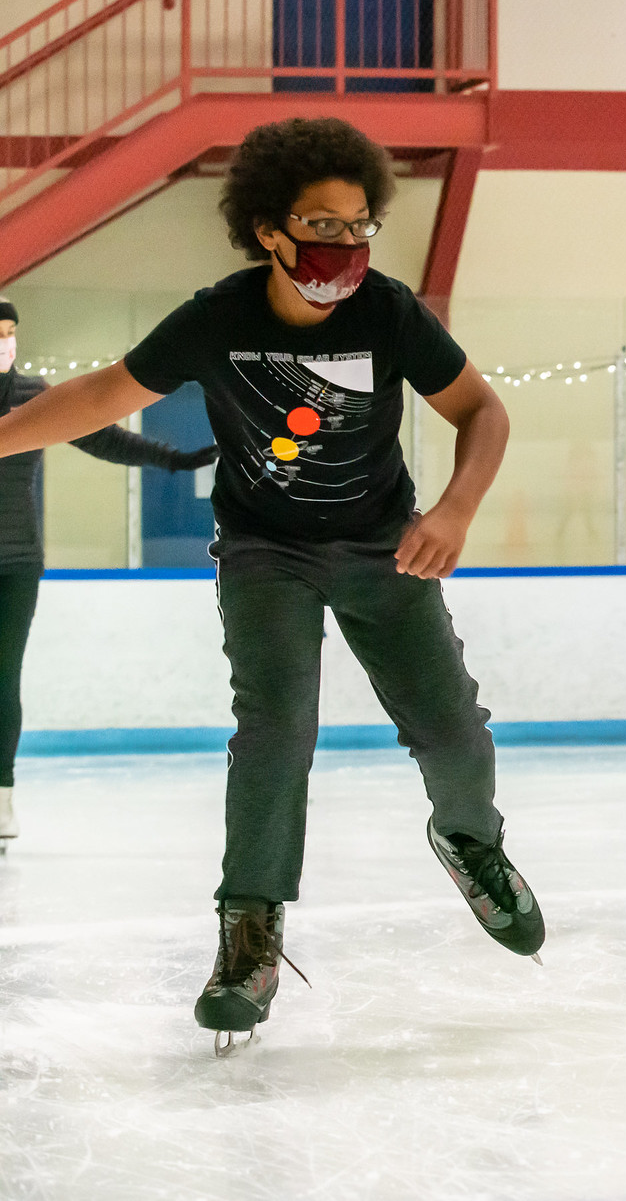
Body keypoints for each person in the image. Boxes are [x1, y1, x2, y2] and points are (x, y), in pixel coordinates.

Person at [0, 117, 542, 1051]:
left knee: (452, 727)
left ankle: (469, 840)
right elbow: (99, 397)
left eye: (359, 224)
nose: (344, 244)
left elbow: (481, 412)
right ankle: (248, 933)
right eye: (321, 225)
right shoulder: (219, 317)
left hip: (384, 545)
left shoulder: (390, 315)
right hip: (264, 553)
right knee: (275, 728)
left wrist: (452, 510)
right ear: (268, 231)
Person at [0, 300, 216, 852]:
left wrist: (176, 460)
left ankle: (1, 796)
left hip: (16, 561)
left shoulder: (34, 396)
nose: (5, 344)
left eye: (10, 334)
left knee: (3, 678)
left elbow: (102, 435)